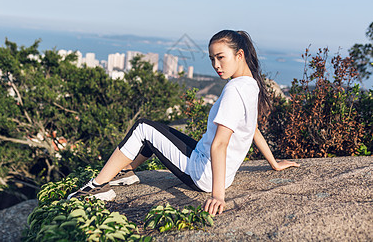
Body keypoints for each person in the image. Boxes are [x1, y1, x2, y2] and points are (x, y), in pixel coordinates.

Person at [68, 30, 300, 215]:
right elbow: (252, 129)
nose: (216, 65)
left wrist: (217, 196)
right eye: (212, 59)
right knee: (154, 134)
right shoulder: (251, 85)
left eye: (221, 57)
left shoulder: (234, 90)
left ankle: (96, 187)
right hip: (212, 169)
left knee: (143, 128)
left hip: (203, 174)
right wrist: (274, 162)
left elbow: (219, 144)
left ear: (239, 55)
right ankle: (126, 172)